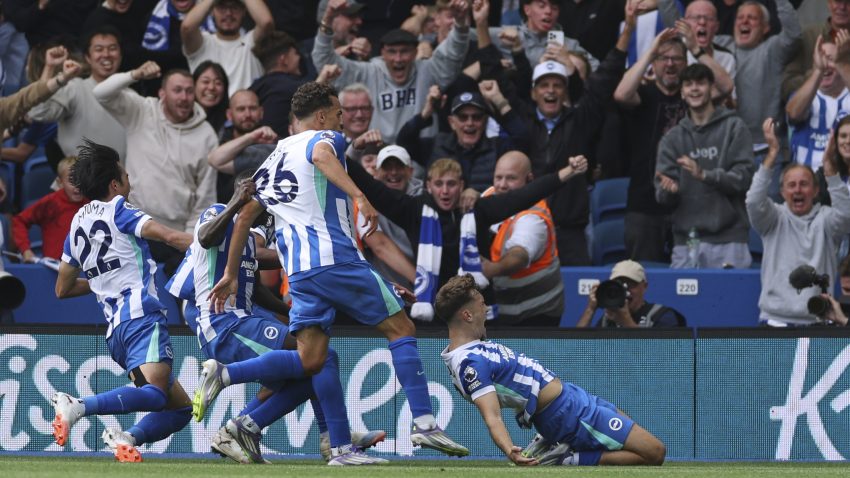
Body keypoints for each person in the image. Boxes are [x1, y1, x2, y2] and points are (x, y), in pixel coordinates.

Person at [199, 82, 470, 464]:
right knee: (402, 329)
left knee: (312, 360)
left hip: (302, 273)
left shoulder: (275, 156)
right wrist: (360, 195)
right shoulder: (324, 137)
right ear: (322, 115)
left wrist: (230, 272)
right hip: (334, 259)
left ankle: (229, 376)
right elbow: (324, 155)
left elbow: (244, 216)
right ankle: (425, 423)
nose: (344, 120)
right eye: (340, 113)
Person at [165, 173, 385, 464]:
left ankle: (248, 428)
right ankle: (334, 440)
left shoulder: (254, 233)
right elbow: (205, 237)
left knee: (310, 372)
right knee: (321, 358)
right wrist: (234, 203)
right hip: (224, 323)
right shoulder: (220, 213)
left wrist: (289, 309)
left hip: (238, 318)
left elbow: (253, 287)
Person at [52, 139, 193, 462]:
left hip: (116, 332)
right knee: (156, 397)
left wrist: (103, 282)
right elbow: (170, 237)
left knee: (180, 408)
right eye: (127, 177)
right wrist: (212, 245)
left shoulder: (76, 224)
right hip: (142, 317)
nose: (130, 182)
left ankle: (125, 437)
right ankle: (79, 406)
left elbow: (62, 288)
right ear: (115, 184)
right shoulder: (120, 208)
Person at [436, 274, 666, 466]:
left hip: (572, 398)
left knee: (624, 418)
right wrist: (509, 450)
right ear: (466, 315)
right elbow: (492, 415)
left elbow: (511, 388)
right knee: (655, 452)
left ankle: (550, 442)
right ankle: (570, 458)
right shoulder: (469, 365)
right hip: (567, 412)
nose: (487, 310)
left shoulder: (473, 348)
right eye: (482, 305)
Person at [312, 0, 471, 144]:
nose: (398, 58)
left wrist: (461, 22)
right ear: (382, 53)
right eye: (392, 52)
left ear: (415, 53)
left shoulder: (428, 69)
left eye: (404, 51)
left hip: (421, 157)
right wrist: (328, 17)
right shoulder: (369, 71)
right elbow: (323, 59)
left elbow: (454, 52)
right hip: (377, 157)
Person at [93, 62, 218, 235]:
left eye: (189, 91)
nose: (184, 97)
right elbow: (101, 93)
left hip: (175, 231)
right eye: (177, 90)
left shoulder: (207, 135)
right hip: (132, 222)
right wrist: (136, 74)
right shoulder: (142, 110)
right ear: (162, 94)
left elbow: (205, 196)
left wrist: (190, 239)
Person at [747, 118, 850, 327]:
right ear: (782, 192)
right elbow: (753, 201)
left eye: (804, 184)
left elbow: (847, 215)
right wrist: (772, 155)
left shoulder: (826, 219)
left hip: (819, 322)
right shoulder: (773, 219)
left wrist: (829, 168)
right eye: (791, 185)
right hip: (775, 321)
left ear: (815, 191)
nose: (797, 190)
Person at [655, 64, 754, 269]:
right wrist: (669, 191)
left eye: (700, 83)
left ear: (712, 88)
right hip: (686, 242)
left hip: (731, 240)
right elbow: (662, 195)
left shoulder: (734, 127)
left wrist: (705, 175)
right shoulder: (671, 139)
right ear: (682, 92)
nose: (694, 89)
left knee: (732, 301)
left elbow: (744, 178)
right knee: (681, 303)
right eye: (688, 84)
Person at [614, 30, 687, 263]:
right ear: (653, 64)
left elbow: (724, 87)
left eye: (676, 59)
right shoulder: (644, 95)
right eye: (663, 58)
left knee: (691, 277)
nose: (670, 64)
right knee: (639, 274)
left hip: (688, 206)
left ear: (686, 64)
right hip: (643, 204)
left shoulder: (694, 97)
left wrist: (695, 48)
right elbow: (622, 94)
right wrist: (651, 50)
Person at [479, 151, 564, 326]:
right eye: (498, 177)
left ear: (530, 180)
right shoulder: (489, 195)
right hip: (501, 309)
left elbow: (519, 255)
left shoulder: (533, 218)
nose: (502, 185)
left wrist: (491, 270)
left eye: (511, 178)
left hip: (537, 313)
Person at [27, 26, 128, 160]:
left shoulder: (131, 96)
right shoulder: (74, 88)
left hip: (123, 179)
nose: (106, 54)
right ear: (87, 57)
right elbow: (38, 113)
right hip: (80, 179)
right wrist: (49, 67)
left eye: (112, 48)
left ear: (120, 55)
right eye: (99, 49)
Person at [350, 142, 420, 290]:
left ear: (411, 171)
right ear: (375, 172)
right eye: (387, 167)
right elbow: (381, 246)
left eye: (399, 166)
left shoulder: (424, 199)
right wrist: (423, 283)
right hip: (390, 290)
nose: (393, 172)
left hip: (428, 282)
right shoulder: (364, 202)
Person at [181, 0, 274, 95]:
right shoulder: (203, 43)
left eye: (235, 8)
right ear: (212, 11)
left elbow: (266, 23)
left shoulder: (252, 42)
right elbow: (187, 27)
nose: (228, 13)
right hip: (207, 107)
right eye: (222, 8)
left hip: (246, 108)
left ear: (244, 12)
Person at [786, 35, 850, 172]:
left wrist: (841, 63)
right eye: (820, 59)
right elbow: (793, 113)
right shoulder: (806, 95)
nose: (825, 64)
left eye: (831, 59)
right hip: (807, 181)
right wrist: (819, 71)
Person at [12, 156, 88, 261]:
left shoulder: (93, 203)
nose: (78, 186)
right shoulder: (50, 202)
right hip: (53, 269)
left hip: (84, 269)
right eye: (72, 180)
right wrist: (25, 249)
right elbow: (19, 220)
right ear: (60, 182)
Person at [488, 0, 599, 70]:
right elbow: (473, 36)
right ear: (527, 10)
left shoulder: (568, 45)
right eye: (542, 6)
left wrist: (570, 63)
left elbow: (598, 71)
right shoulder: (509, 35)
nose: (549, 11)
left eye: (554, 7)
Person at [575, 260, 686, 328]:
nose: (626, 290)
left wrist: (626, 321)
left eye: (631, 284)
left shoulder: (662, 315)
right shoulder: (608, 319)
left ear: (645, 287)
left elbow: (661, 358)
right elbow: (574, 349)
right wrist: (590, 309)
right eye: (620, 284)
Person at [0, 46, 82, 133]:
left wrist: (55, 72)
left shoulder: (68, 89)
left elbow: (30, 99)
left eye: (28, 64)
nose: (26, 68)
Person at [782, 0, 850, 101]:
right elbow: (786, 87)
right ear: (829, 3)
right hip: (812, 113)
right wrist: (818, 74)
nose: (842, 7)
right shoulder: (807, 36)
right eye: (837, 1)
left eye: (848, 2)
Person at [250, 30, 312, 138]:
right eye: (295, 54)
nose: (299, 58)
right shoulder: (294, 88)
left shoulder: (253, 89)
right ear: (284, 60)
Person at [193, 61, 229, 133]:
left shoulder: (230, 120)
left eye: (218, 83)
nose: (211, 87)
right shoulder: (181, 117)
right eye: (206, 81)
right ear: (193, 85)